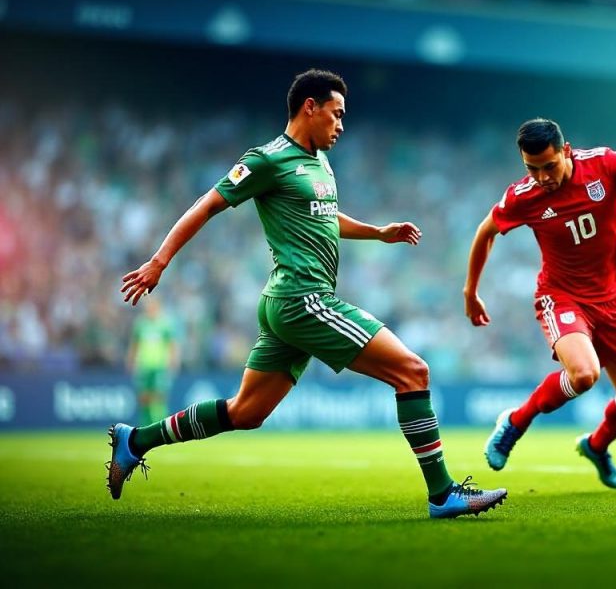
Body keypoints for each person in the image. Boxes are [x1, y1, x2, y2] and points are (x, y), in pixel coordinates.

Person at [111, 69, 507, 519]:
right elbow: (208, 204)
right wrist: (159, 261)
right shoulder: (267, 160)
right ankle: (443, 494)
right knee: (413, 371)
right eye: (336, 114)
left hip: (288, 305)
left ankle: (135, 440)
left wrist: (378, 232)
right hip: (303, 299)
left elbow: (326, 215)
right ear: (310, 107)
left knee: (245, 413)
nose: (341, 125)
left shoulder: (320, 162)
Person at [464, 118, 616, 488]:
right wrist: (470, 292)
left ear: (566, 151)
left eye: (549, 166)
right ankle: (515, 422)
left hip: (613, 301)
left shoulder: (604, 164)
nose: (542, 177)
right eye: (532, 169)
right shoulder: (522, 196)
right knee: (583, 375)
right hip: (561, 297)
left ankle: (596, 447)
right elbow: (486, 232)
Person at [126, 298, 179, 426]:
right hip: (144, 366)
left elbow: (172, 345)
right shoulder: (141, 324)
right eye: (148, 306)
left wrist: (173, 362)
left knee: (159, 396)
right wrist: (130, 360)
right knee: (144, 397)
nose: (150, 309)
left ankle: (160, 424)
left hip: (160, 366)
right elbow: (134, 344)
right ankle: (145, 424)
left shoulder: (165, 325)